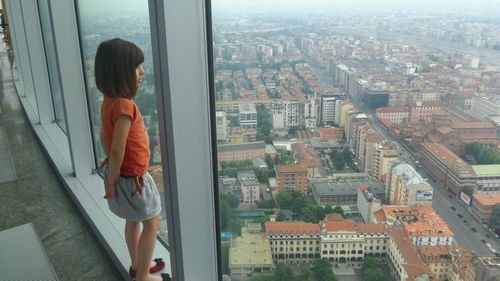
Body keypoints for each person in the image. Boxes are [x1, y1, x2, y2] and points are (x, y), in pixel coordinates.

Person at [95, 38, 170, 281]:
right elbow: (117, 150)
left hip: (123, 177)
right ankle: (144, 277)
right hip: (134, 179)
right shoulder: (125, 106)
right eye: (136, 67)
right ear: (120, 73)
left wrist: (112, 174)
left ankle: (138, 265)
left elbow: (104, 139)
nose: (142, 72)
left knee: (133, 220)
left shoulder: (108, 101)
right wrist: (112, 180)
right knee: (152, 222)